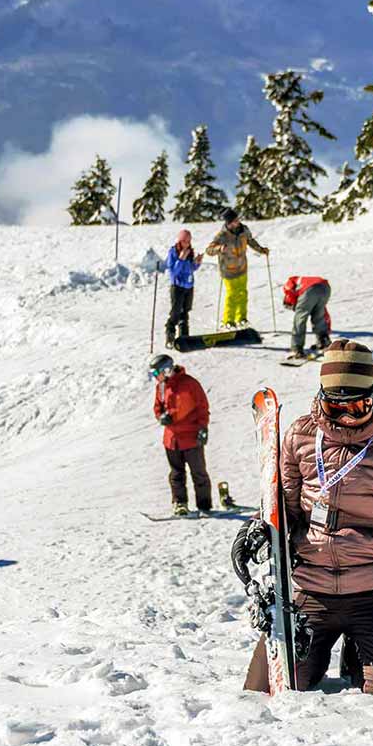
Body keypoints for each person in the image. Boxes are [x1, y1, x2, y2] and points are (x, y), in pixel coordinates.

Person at [235, 340, 373, 694]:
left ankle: (362, 649)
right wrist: (257, 528)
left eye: (359, 405)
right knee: (263, 695)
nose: (348, 418)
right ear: (322, 397)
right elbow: (286, 512)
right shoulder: (301, 436)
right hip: (311, 589)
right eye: (337, 407)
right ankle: (348, 644)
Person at [150, 354, 212, 516]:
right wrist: (161, 417)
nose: (156, 377)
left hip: (191, 437)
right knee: (176, 473)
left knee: (198, 473)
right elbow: (158, 407)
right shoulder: (161, 387)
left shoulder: (189, 383)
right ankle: (180, 503)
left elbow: (202, 407)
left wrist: (203, 428)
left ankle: (204, 505)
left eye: (157, 373)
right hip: (172, 439)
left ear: (167, 369)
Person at [205, 207, 269, 329]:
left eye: (237, 219)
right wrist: (219, 249)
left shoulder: (244, 230)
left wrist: (261, 250)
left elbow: (250, 241)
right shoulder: (222, 235)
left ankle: (241, 319)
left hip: (242, 267)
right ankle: (228, 320)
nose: (237, 222)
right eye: (234, 220)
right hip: (228, 270)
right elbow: (209, 250)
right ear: (228, 223)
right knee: (232, 295)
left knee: (243, 294)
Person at [165, 229, 201, 347]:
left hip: (189, 286)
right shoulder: (173, 252)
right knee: (175, 312)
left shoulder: (190, 252)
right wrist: (180, 259)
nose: (187, 243)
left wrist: (197, 263)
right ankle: (170, 334)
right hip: (177, 286)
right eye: (185, 241)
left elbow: (191, 269)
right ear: (180, 241)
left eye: (189, 241)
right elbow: (173, 272)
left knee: (185, 312)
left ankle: (184, 336)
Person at [282, 275, 332, 359]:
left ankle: (296, 348)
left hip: (309, 290)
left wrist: (296, 306)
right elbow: (325, 315)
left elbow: (289, 290)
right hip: (325, 287)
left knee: (299, 320)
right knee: (318, 315)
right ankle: (324, 342)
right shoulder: (300, 281)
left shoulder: (289, 289)